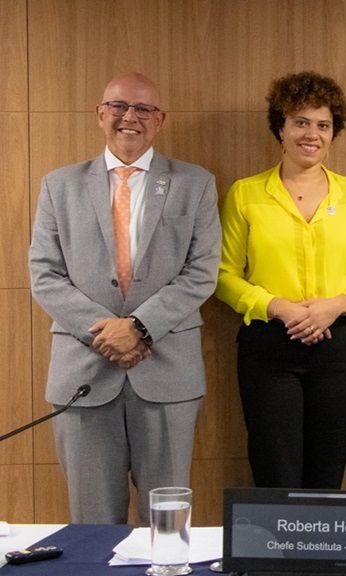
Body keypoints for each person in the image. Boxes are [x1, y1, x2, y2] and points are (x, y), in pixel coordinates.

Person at [29, 72, 221, 524]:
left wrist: (135, 327)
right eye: (118, 106)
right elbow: (44, 274)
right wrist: (108, 331)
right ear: (100, 114)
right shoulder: (60, 185)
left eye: (143, 109)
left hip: (167, 372)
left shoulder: (195, 183)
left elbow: (202, 272)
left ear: (160, 120)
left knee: (167, 524)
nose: (129, 117)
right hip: (84, 370)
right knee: (93, 523)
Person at [216, 71, 346, 489]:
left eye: (323, 125)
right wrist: (279, 307)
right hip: (269, 346)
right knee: (275, 469)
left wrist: (336, 305)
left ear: (333, 132)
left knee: (327, 470)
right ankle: (277, 555)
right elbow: (223, 276)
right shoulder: (246, 193)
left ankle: (320, 556)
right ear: (280, 128)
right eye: (301, 122)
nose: (312, 134)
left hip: (337, 345)